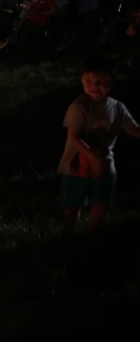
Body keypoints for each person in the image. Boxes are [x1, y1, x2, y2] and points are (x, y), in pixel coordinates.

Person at [56, 54, 140, 237]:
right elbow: (74, 137)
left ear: (111, 82)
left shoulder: (117, 108)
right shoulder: (79, 107)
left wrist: (99, 160)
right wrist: (92, 158)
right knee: (73, 203)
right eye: (88, 81)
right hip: (76, 165)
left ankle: (92, 236)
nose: (94, 86)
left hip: (104, 162)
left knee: (102, 200)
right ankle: (67, 234)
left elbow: (134, 130)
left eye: (100, 82)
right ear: (81, 80)